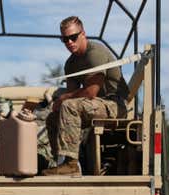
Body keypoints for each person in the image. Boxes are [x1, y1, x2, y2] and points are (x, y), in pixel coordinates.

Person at [42, 16, 129, 176]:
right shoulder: (70, 64)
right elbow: (73, 94)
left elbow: (90, 92)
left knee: (68, 106)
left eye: (73, 37)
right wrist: (60, 102)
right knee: (53, 117)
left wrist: (63, 99)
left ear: (83, 34)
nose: (69, 42)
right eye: (65, 39)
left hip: (114, 104)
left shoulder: (95, 53)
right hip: (94, 105)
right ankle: (61, 162)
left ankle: (71, 164)